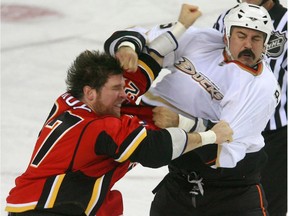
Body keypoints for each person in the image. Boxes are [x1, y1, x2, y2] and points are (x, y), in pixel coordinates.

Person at [5, 50, 233, 216]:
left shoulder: (70, 102)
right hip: (49, 209)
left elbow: (146, 63)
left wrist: (178, 27)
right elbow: (156, 150)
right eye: (116, 89)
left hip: (33, 204)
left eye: (123, 87)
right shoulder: (100, 128)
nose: (123, 94)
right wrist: (210, 134)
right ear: (90, 93)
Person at [104, 3, 281, 215]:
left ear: (266, 43)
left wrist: (180, 122)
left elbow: (221, 150)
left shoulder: (261, 87)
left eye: (256, 39)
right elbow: (138, 37)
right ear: (226, 36)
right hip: (180, 181)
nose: (248, 45)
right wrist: (127, 48)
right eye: (241, 35)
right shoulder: (203, 40)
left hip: (233, 194)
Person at [213, 1, 287, 215]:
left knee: (269, 206)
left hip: (273, 137)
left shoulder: (286, 23)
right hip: (226, 131)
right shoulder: (227, 17)